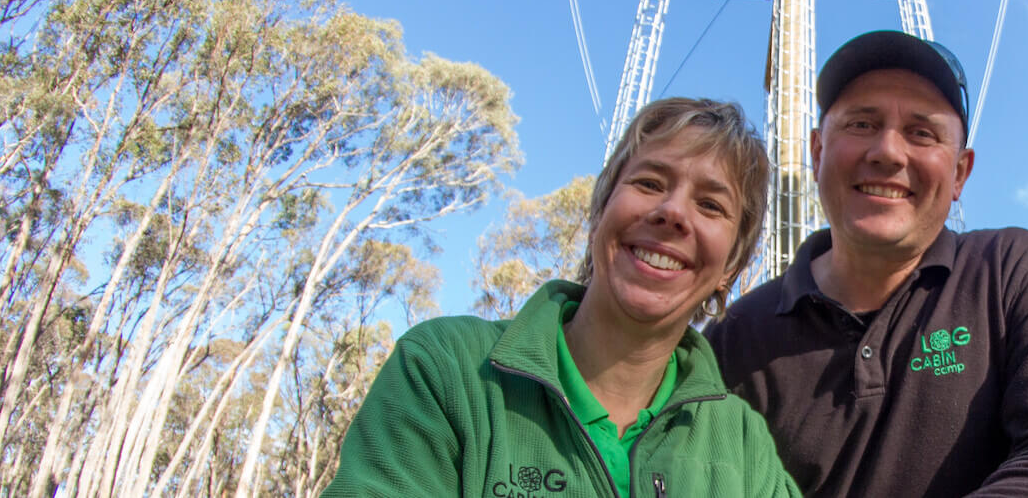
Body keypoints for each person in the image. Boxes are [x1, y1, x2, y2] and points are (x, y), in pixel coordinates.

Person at [706, 30, 1028, 497]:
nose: (887, 152)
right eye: (862, 124)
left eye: (921, 133)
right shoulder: (737, 338)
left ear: (959, 173)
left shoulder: (1012, 274)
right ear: (818, 152)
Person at [325, 97, 801, 498]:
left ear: (731, 268)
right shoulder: (446, 371)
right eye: (650, 183)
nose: (673, 212)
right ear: (600, 212)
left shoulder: (743, 445)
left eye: (710, 205)